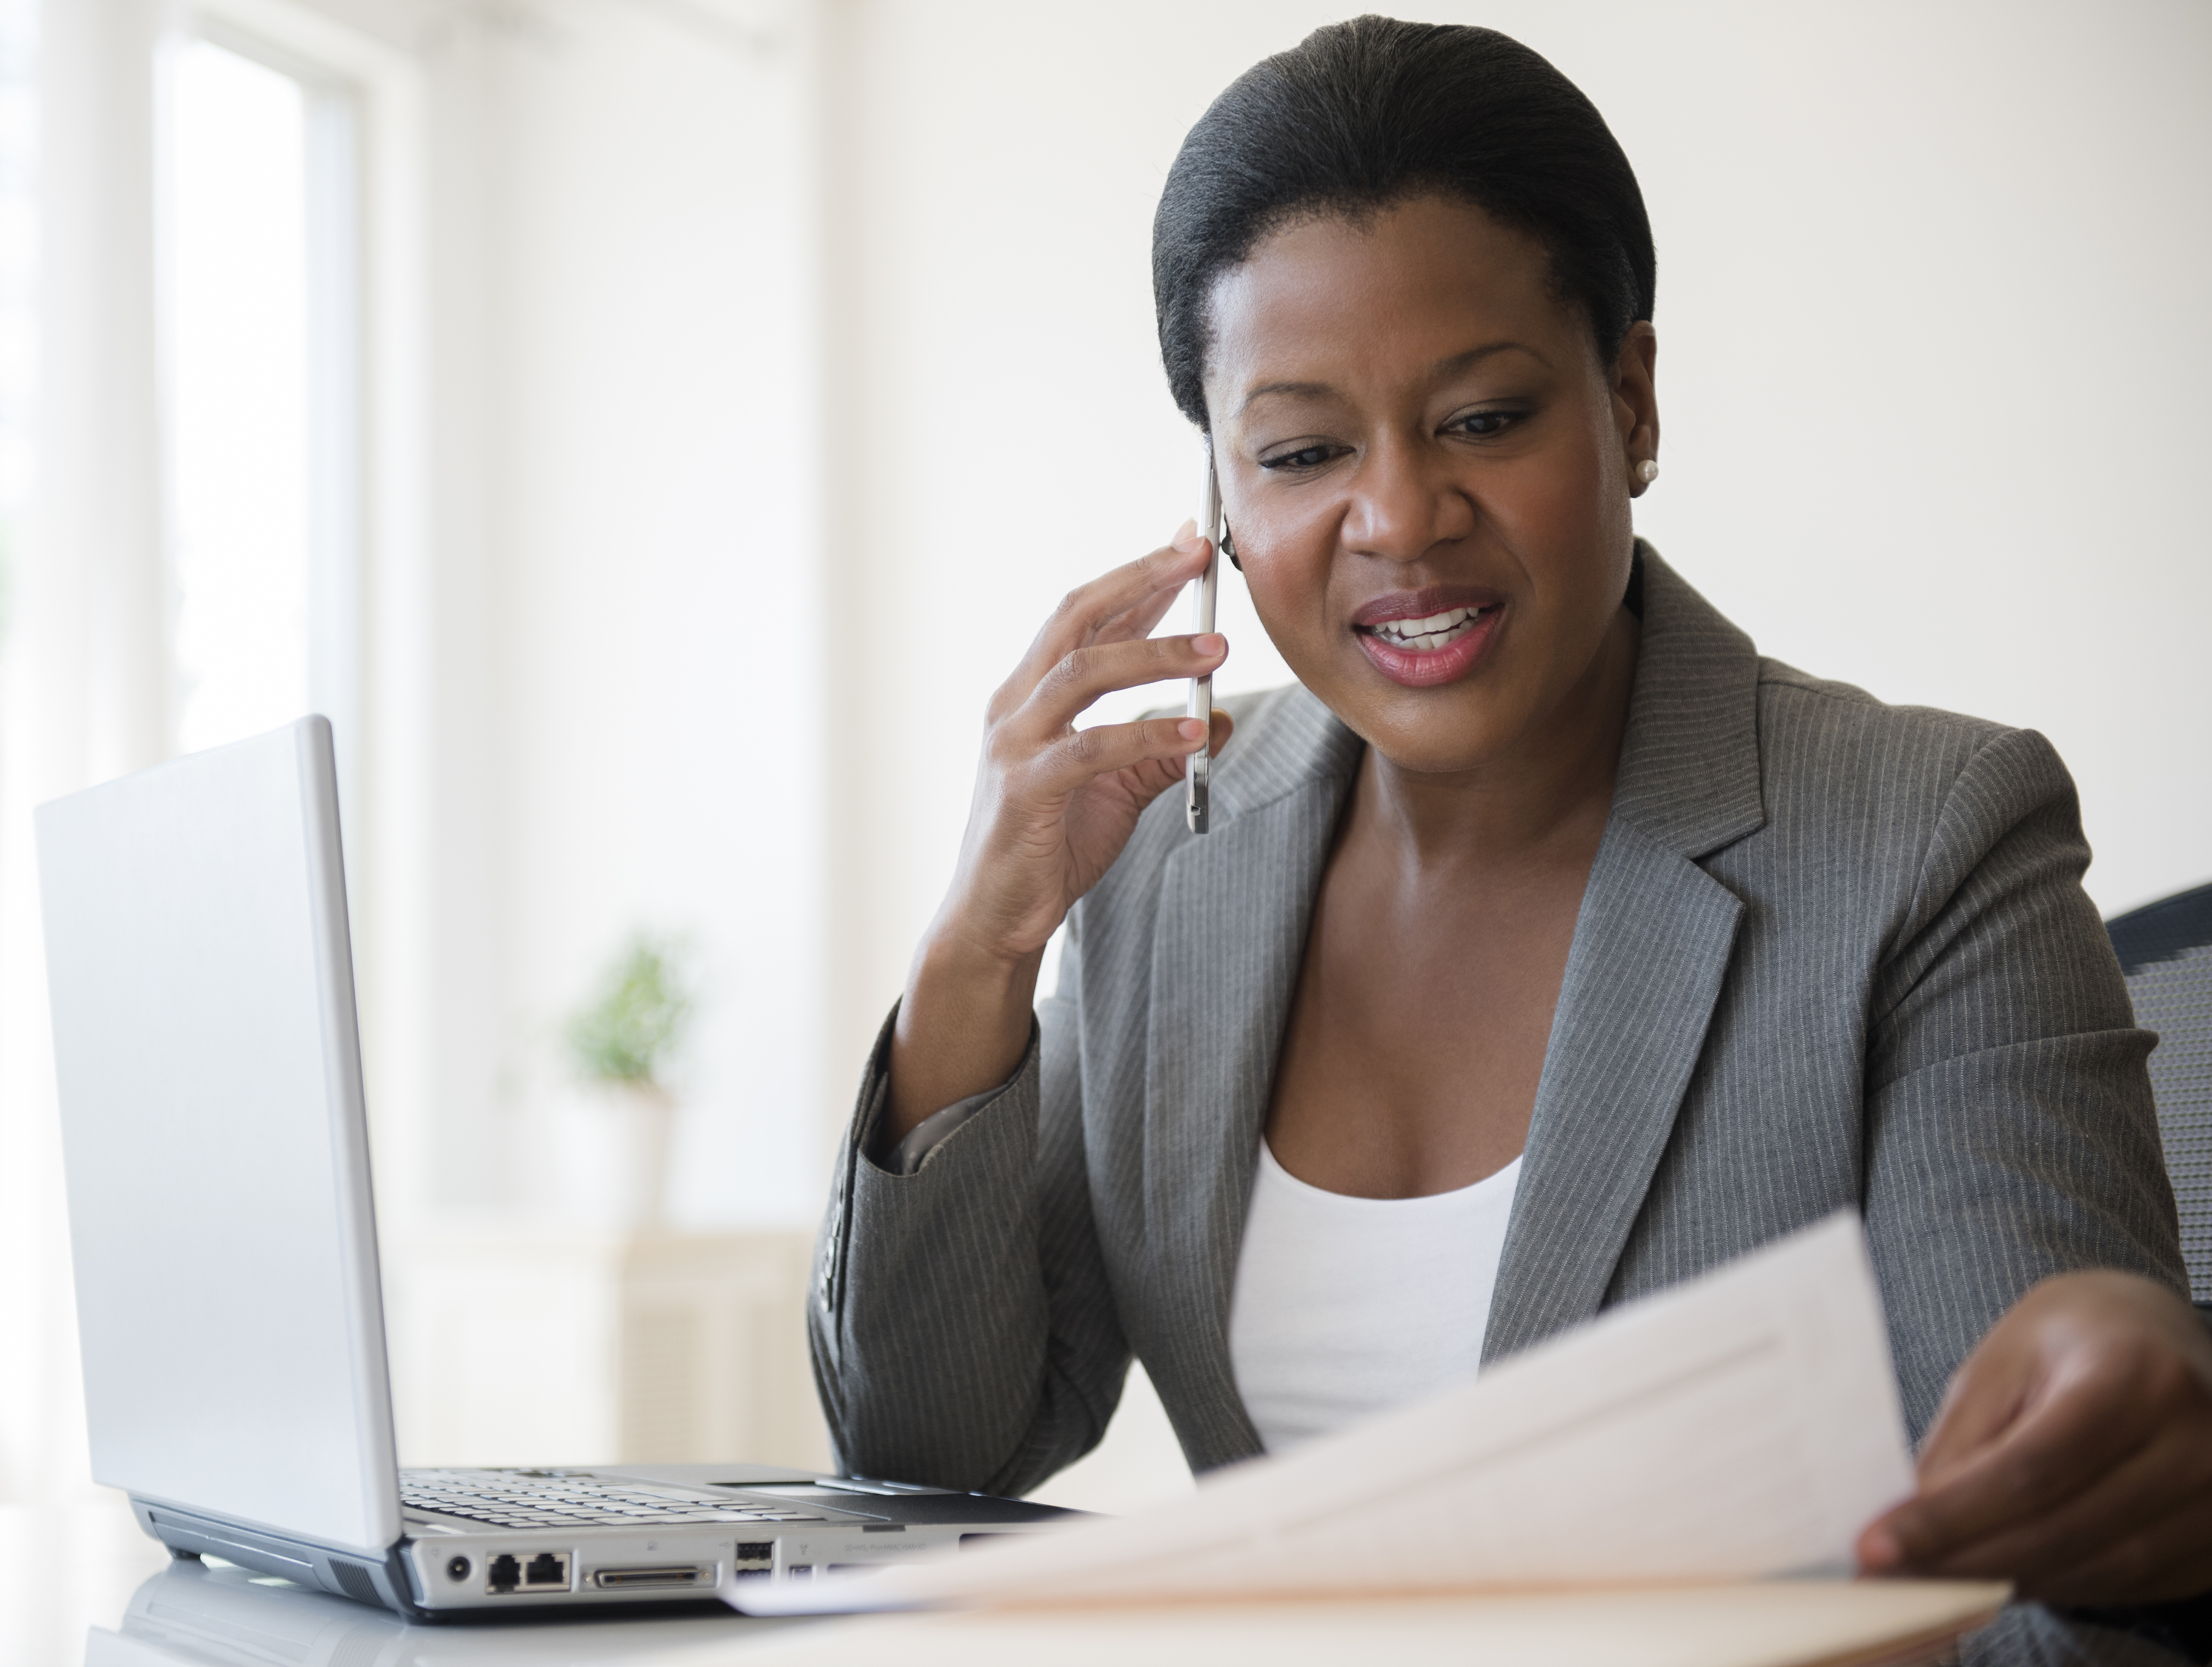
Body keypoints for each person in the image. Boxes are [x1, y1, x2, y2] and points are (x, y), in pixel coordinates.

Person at [805, 16, 2212, 1660]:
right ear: (1220, 507)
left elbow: (2046, 1561)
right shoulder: (1169, 850)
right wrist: (976, 955)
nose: (1395, 516)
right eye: (1302, 451)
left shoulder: (1923, 838)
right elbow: (931, 1457)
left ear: (1629, 400)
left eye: (1480, 418)